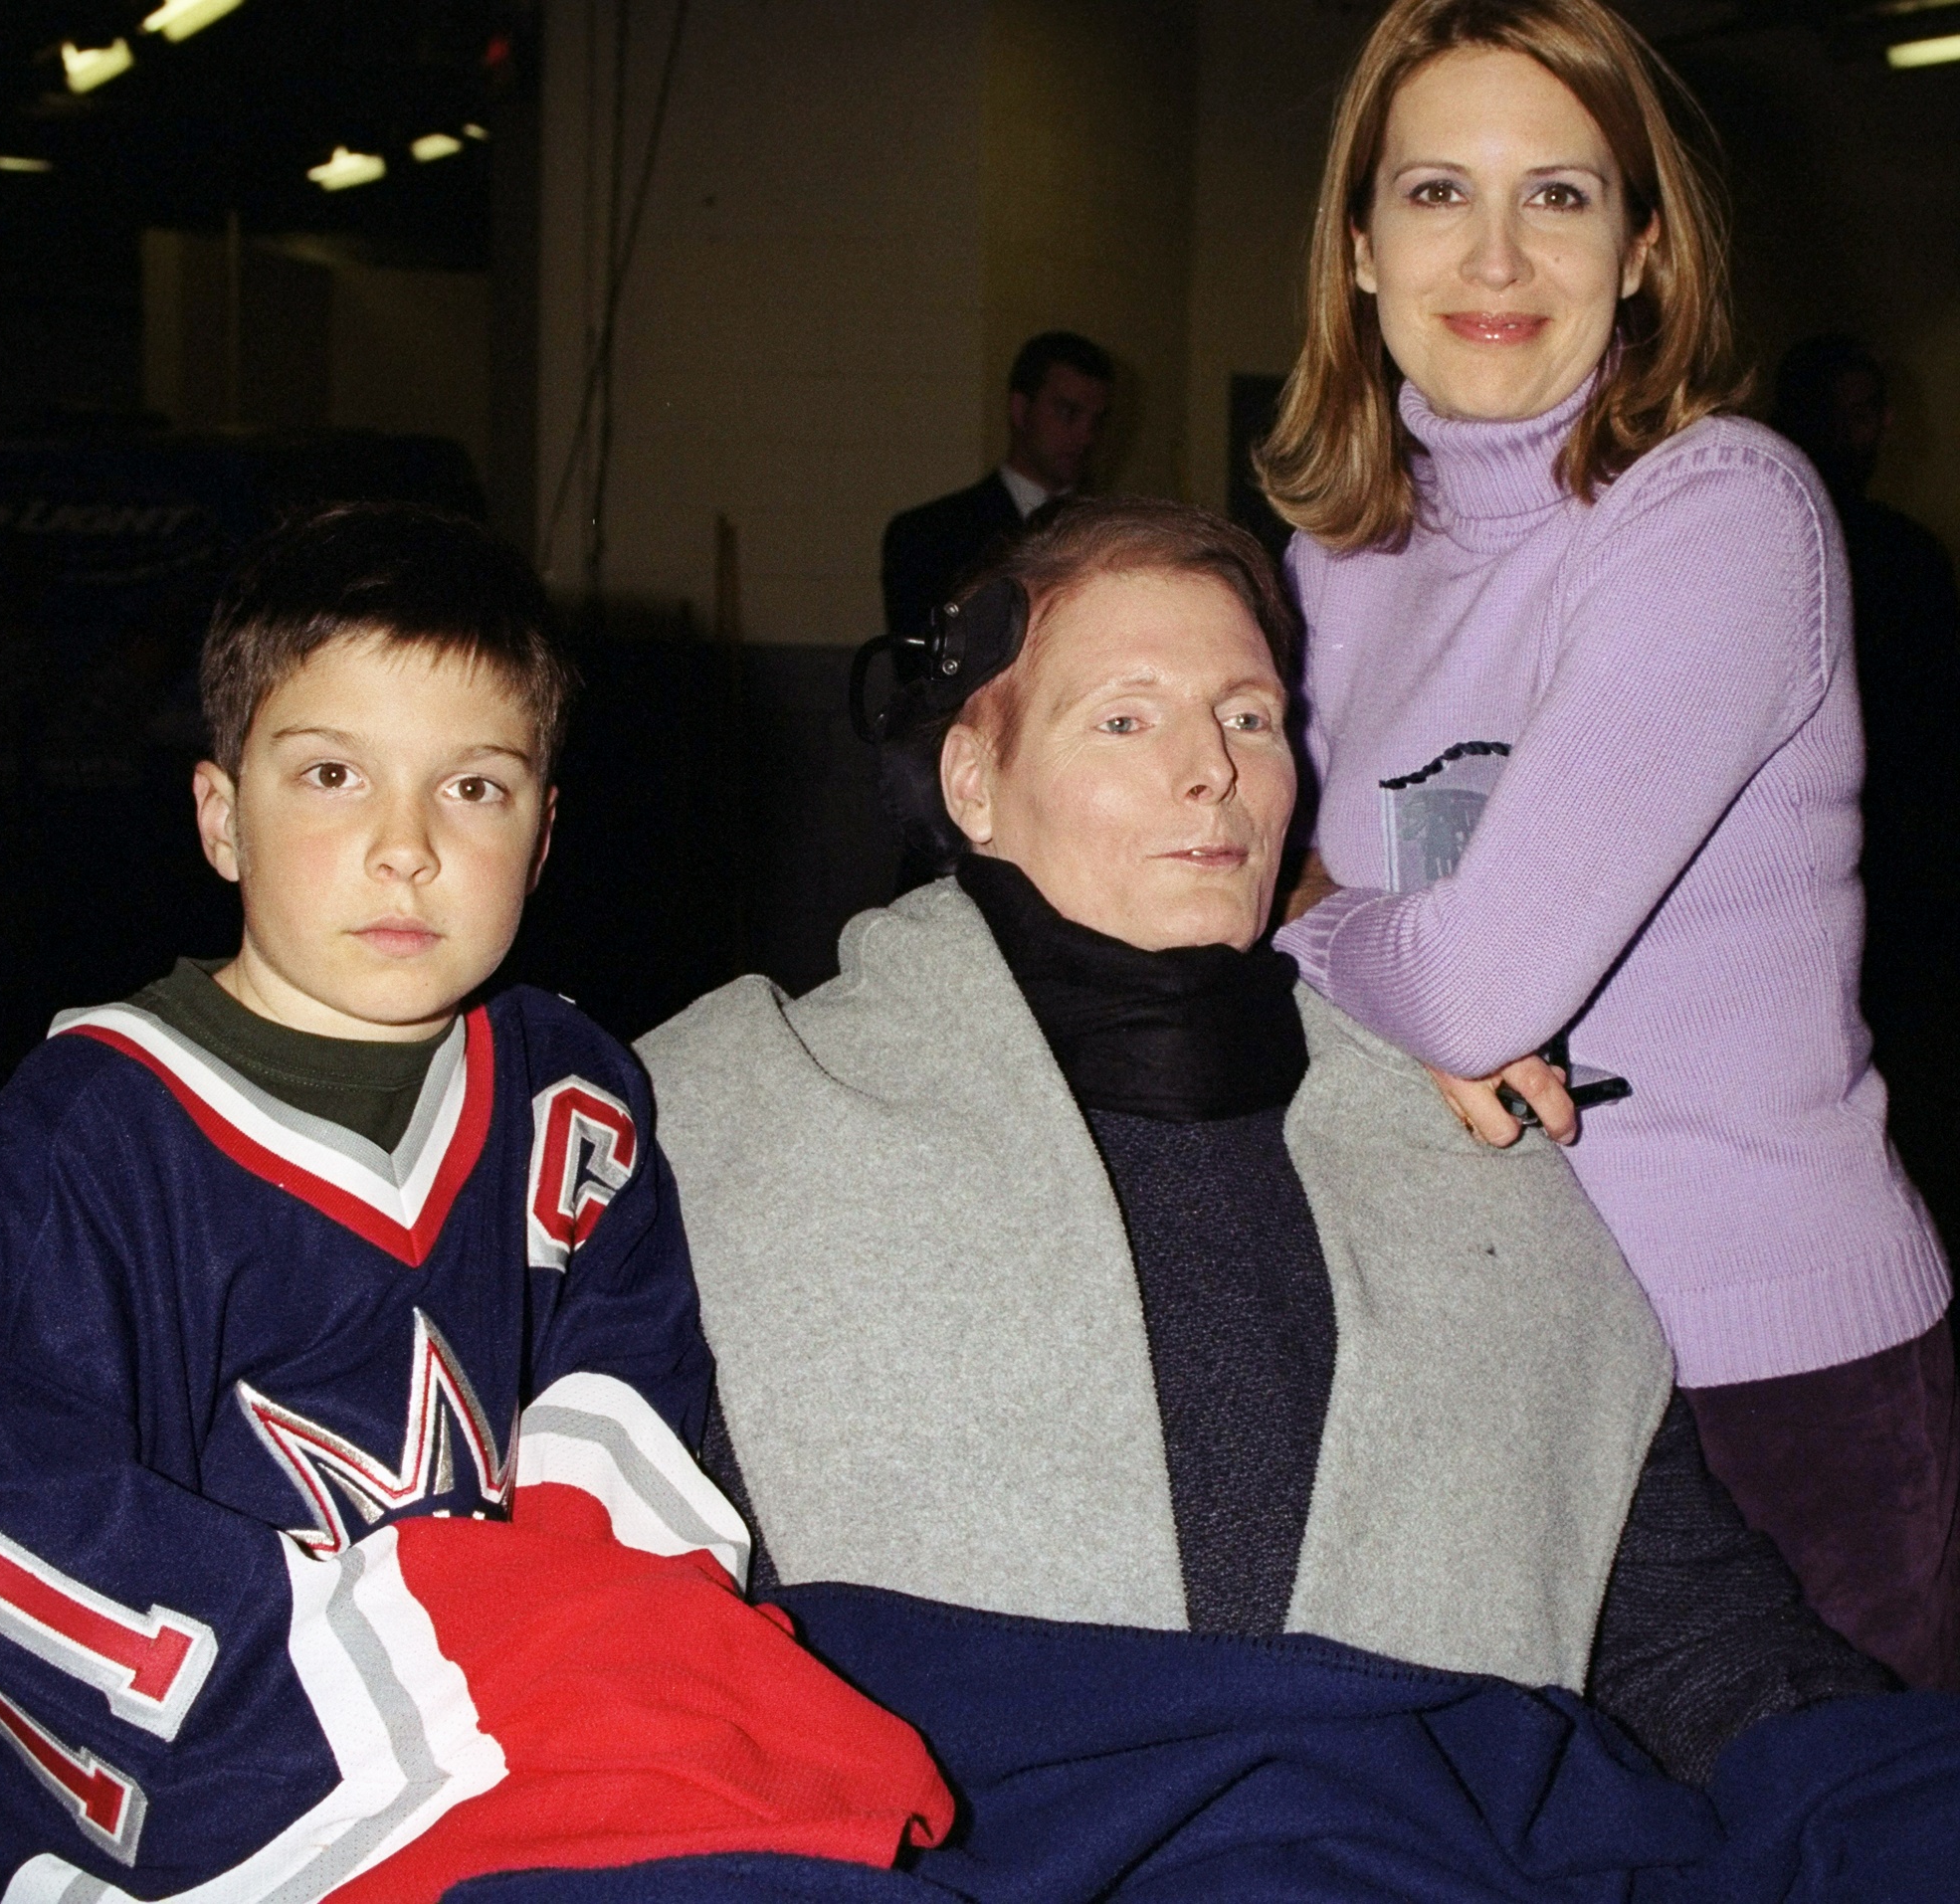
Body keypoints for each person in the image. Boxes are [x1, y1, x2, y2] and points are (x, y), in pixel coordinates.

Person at [606, 498, 1960, 1904]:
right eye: (1125, 719)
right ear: (973, 779)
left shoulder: (1461, 1148)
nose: (1211, 770)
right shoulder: (733, 1118)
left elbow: (1687, 1628)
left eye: (1248, 718)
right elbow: (617, 1635)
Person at [0, 504, 948, 1901]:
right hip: (251, 1784)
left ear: (542, 832)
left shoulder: (569, 1094)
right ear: (221, 816)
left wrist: (615, 1677)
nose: (405, 846)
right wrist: (449, 1664)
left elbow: (620, 1414)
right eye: (332, 774)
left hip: (530, 1721)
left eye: (473, 787)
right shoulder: (83, 1142)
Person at [1256, 0, 1957, 1692]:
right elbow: (1238, 894)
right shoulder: (1338, 554)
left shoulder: (1719, 513)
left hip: (1755, 1370)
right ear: (1358, 247)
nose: (1495, 254)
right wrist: (1327, 924)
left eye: (1558, 195)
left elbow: (1470, 978)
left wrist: (1315, 912)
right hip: (1482, 1341)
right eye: (1436, 191)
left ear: (1643, 248)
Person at [1771, 334, 1960, 1239]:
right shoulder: (1767, 540)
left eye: (1865, 414)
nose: (1856, 435)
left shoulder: (1905, 556)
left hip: (1901, 873)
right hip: (1807, 878)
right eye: (1836, 414)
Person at [880, 329, 1113, 641]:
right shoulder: (928, 535)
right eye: (1067, 413)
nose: (1085, 437)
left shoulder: (1108, 536)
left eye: (1096, 421)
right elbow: (920, 661)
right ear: (1020, 410)